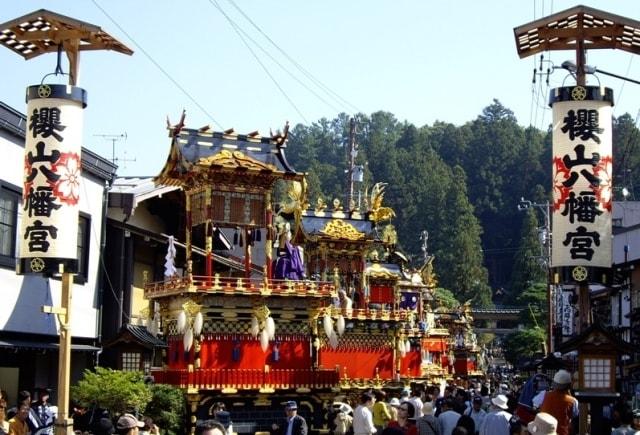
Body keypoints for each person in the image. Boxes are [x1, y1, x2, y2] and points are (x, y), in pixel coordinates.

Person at [539, 370, 578, 435]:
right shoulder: (573, 401)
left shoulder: (543, 394)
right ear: (569, 385)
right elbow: (575, 415)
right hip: (562, 432)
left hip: (544, 432)